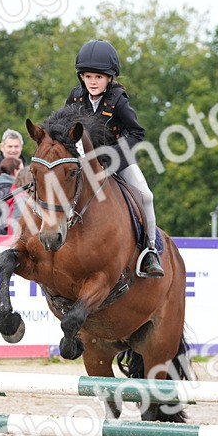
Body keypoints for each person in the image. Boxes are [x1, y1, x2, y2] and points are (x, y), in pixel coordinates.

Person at [64, 39, 163, 278]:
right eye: (88, 76)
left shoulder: (118, 99)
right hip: (82, 161)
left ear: (109, 78)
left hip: (117, 160)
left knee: (146, 196)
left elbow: (137, 133)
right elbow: (63, 127)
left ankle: (150, 250)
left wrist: (112, 157)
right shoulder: (75, 98)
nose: (92, 82)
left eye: (98, 77)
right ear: (81, 77)